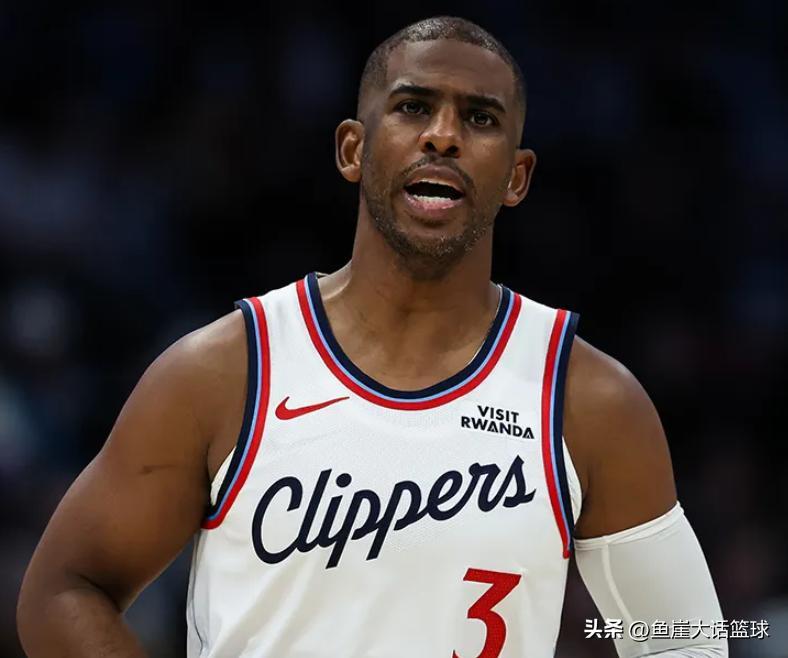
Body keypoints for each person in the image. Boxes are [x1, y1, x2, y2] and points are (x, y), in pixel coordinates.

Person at [17, 16, 727, 658]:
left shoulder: (589, 401)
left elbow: (685, 642)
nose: (443, 136)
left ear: (517, 177)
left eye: (480, 118)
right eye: (414, 107)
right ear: (352, 148)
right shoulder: (224, 371)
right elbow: (63, 589)